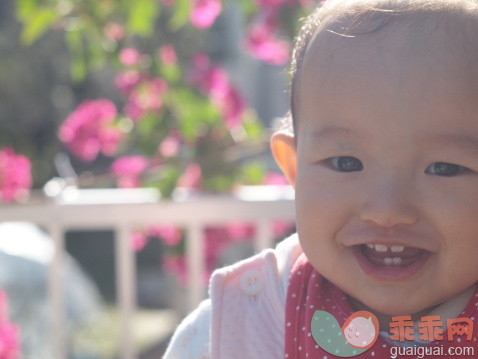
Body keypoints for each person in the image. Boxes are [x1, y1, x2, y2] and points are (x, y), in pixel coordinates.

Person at [164, 0, 478, 358]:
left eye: (443, 168)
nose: (387, 211)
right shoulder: (239, 331)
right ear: (294, 168)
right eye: (346, 162)